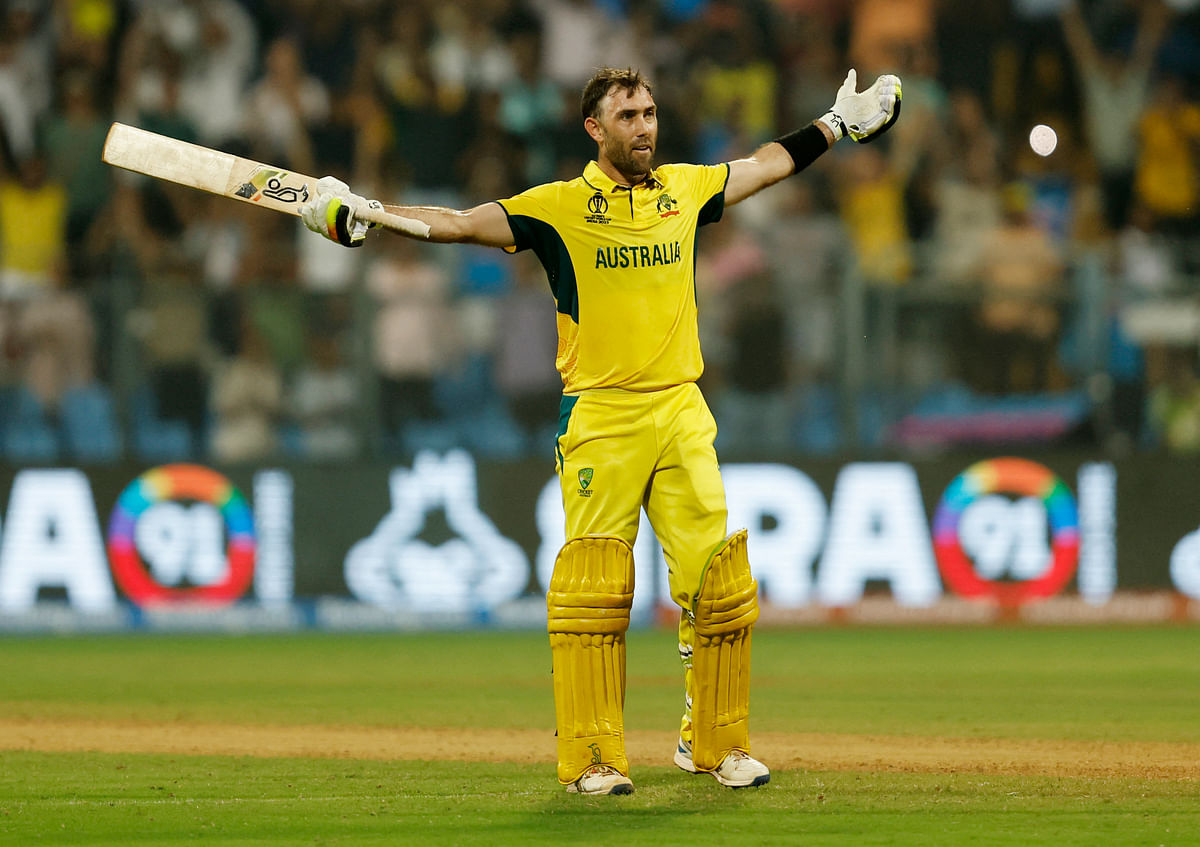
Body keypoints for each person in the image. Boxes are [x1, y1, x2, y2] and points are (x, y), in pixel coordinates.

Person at [301, 65, 901, 796]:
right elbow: (458, 223)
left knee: (721, 582)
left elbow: (763, 167)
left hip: (681, 408)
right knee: (594, 593)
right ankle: (592, 757)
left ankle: (715, 744)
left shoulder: (685, 189)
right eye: (628, 116)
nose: (644, 126)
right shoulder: (557, 207)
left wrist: (834, 127)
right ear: (595, 128)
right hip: (602, 416)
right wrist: (368, 212)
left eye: (650, 113)